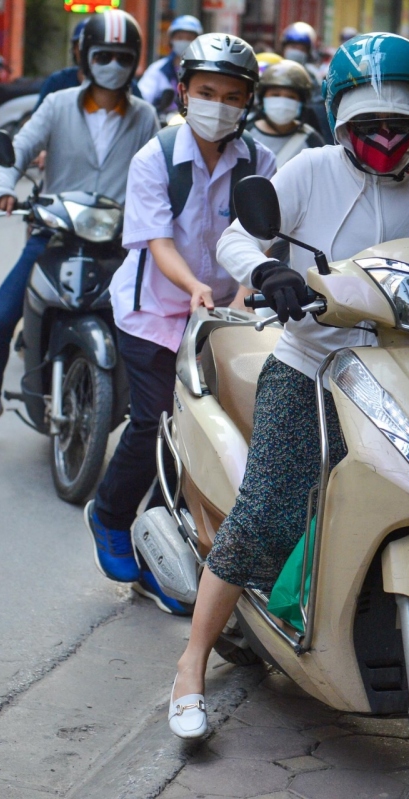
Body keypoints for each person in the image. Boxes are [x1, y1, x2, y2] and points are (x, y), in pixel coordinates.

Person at [164, 32, 409, 740]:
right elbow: (233, 240)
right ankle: (191, 665)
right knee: (271, 508)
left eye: (397, 125)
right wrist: (268, 272)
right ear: (339, 121)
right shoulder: (309, 170)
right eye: (367, 125)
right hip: (313, 365)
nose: (382, 138)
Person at [85, 32, 276, 615]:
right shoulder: (156, 156)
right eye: (207, 91)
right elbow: (156, 241)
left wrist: (245, 287)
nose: (219, 103)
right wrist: (193, 286)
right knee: (154, 424)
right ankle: (111, 516)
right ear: (184, 93)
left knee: (206, 436)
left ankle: (165, 546)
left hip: (224, 318)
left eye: (232, 94)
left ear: (248, 102)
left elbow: (260, 235)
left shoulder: (260, 162)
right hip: (153, 314)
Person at [0, 10, 158, 449]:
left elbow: (160, 175)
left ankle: (152, 424)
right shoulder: (59, 105)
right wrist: (3, 186)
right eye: (104, 55)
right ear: (85, 55)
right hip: (54, 235)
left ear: (135, 60)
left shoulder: (145, 118)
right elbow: (20, 149)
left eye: (123, 57)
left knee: (149, 332)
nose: (113, 65)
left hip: (119, 244)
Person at [248, 60, 324, 165]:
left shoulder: (311, 139)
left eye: (291, 97)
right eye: (275, 95)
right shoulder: (245, 134)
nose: (282, 102)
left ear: (301, 103)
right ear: (262, 99)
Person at [137, 15, 203, 114]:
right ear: (171, 40)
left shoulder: (203, 71)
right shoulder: (158, 69)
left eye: (189, 38)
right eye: (180, 38)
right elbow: (143, 99)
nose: (184, 41)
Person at [34, 20, 89, 111]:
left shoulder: (111, 84)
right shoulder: (57, 82)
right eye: (81, 46)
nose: (85, 52)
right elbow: (38, 119)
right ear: (74, 49)